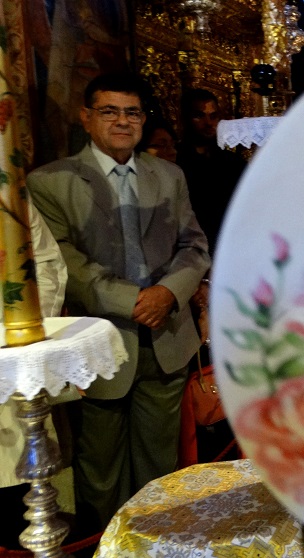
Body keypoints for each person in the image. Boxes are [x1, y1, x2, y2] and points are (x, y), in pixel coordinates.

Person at [27, 73, 211, 530]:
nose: (122, 121)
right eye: (109, 111)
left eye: (132, 112)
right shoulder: (51, 181)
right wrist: (132, 301)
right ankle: (104, 544)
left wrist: (169, 293)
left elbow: (193, 245)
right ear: (86, 117)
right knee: (100, 465)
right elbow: (63, 259)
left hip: (166, 336)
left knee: (160, 463)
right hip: (99, 340)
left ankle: (156, 540)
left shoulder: (168, 175)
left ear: (144, 120)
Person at [0, 204, 67, 549]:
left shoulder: (9, 195)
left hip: (8, 352)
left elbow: (46, 265)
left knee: (16, 502)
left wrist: (20, 327)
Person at [176, 88, 246, 257]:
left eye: (213, 116)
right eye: (199, 116)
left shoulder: (233, 163)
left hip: (228, 246)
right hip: (188, 248)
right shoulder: (175, 162)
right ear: (185, 119)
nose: (208, 123)